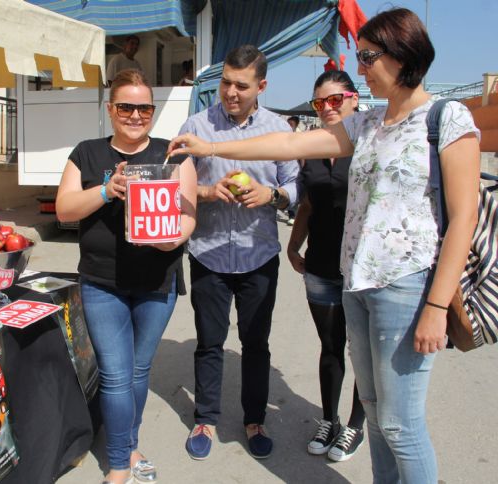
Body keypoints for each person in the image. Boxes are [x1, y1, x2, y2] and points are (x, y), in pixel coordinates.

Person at [168, 8, 480, 483]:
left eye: (369, 57)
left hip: (406, 286)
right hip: (357, 284)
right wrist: (210, 149)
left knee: (401, 422)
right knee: (375, 414)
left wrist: (437, 303)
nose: (361, 68)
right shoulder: (368, 124)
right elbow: (290, 147)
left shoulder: (446, 117)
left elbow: (464, 218)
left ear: (403, 56)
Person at [56, 68, 197, 484]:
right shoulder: (87, 153)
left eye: (144, 107)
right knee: (116, 374)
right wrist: (105, 191)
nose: (136, 115)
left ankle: (129, 443)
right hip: (101, 281)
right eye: (126, 107)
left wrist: (171, 241)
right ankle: (119, 463)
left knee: (138, 371)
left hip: (157, 282)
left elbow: (188, 216)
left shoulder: (172, 155)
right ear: (110, 109)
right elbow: (64, 210)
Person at [179, 45, 299, 461]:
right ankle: (205, 418)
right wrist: (208, 191)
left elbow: (296, 186)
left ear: (261, 86)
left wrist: (273, 194)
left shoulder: (279, 129)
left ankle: (254, 419)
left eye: (241, 86)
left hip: (258, 257)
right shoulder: (197, 125)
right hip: (208, 252)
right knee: (209, 342)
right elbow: (173, 184)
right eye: (225, 82)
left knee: (256, 344)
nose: (230, 92)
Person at [287, 70, 365, 462]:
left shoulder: (369, 143)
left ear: (354, 99)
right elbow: (307, 204)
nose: (328, 108)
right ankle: (329, 419)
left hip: (363, 269)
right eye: (321, 102)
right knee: (331, 347)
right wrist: (294, 244)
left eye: (336, 99)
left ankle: (355, 425)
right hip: (319, 264)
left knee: (362, 350)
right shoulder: (313, 148)